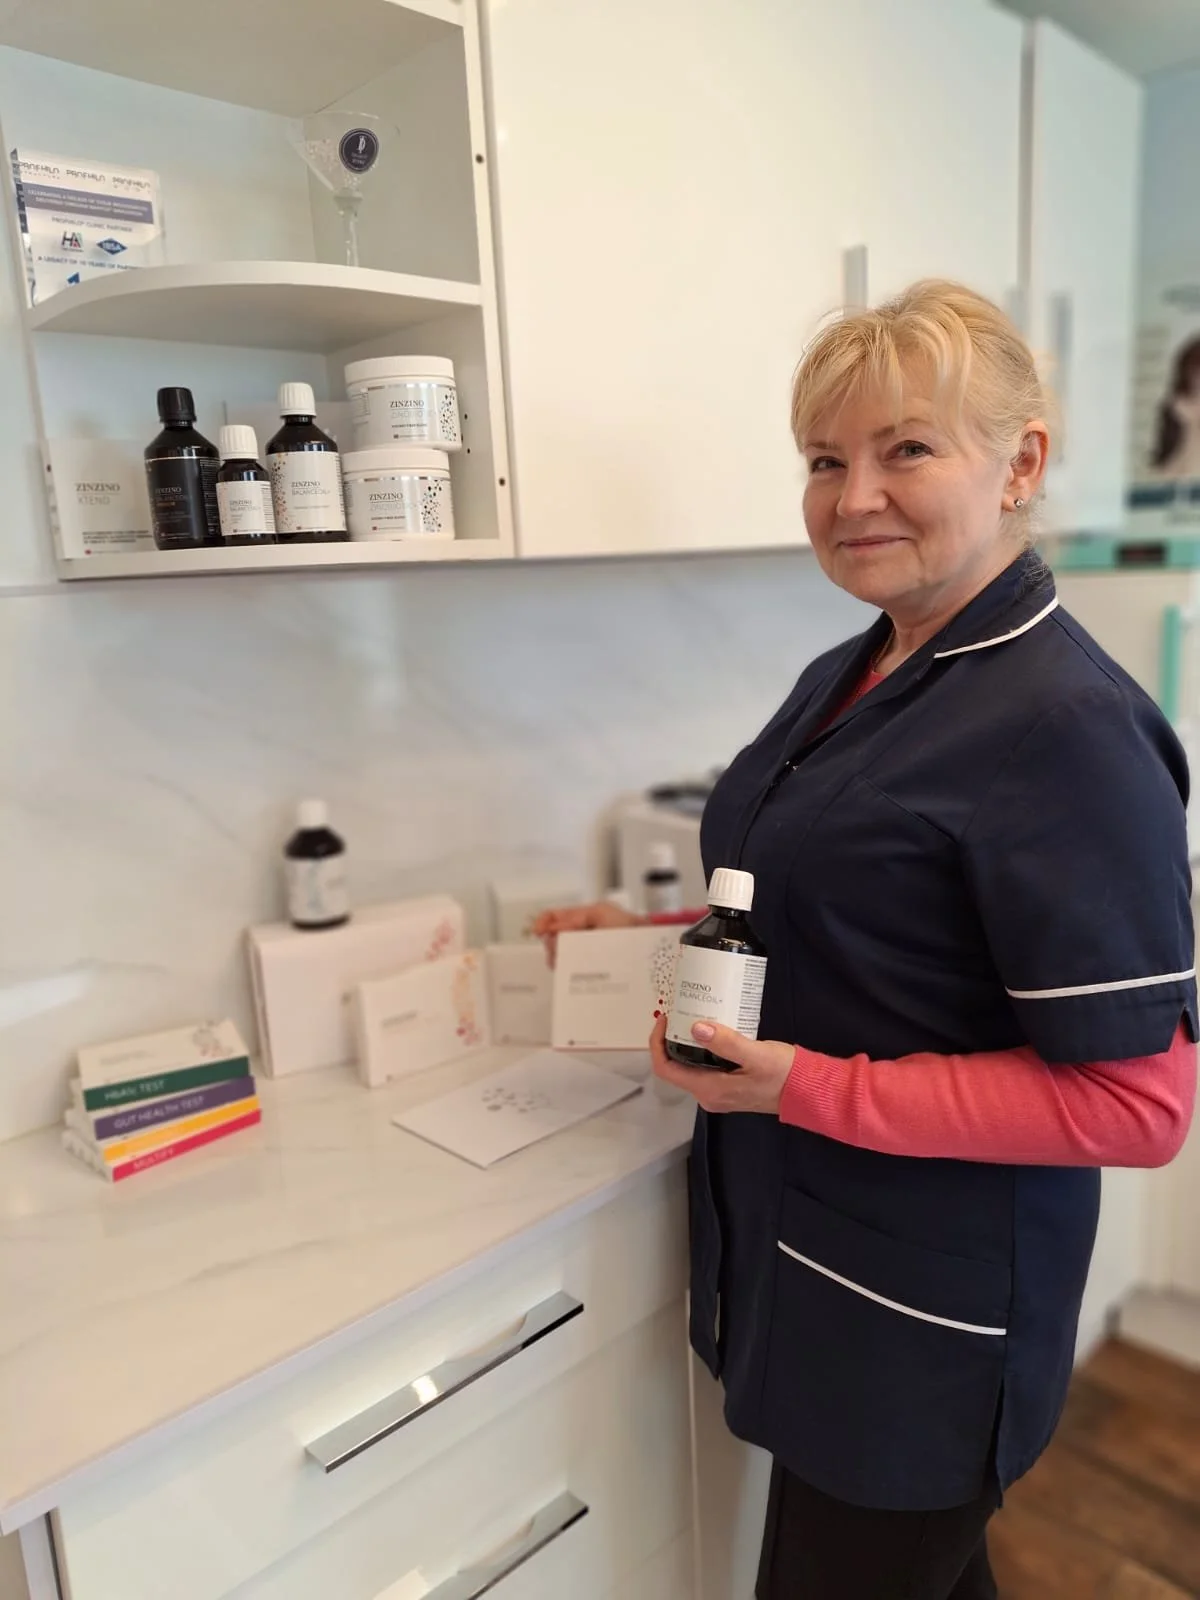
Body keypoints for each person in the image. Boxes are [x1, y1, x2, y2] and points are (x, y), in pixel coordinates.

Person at [535, 281, 1197, 1600]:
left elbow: (1140, 1103)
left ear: (1022, 464)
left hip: (928, 1331)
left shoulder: (1062, 727)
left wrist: (802, 1086)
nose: (852, 499)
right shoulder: (863, 662)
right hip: (815, 1263)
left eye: (907, 449)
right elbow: (821, 904)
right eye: (826, 460)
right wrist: (653, 936)